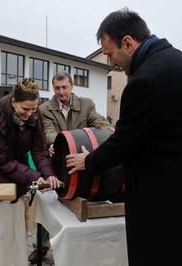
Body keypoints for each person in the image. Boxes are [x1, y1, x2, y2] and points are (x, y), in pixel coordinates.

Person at [66, 9, 182, 266]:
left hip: (169, 206)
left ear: (128, 43)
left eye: (110, 54)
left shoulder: (146, 80)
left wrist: (89, 161)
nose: (110, 64)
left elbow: (125, 142)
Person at [0, 78, 62, 266]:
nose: (29, 114)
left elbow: (39, 151)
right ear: (14, 102)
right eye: (25, 109)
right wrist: (36, 177)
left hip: (18, 184)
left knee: (15, 236)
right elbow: (4, 162)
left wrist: (49, 174)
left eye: (33, 108)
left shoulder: (34, 116)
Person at [28, 71, 111, 264]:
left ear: (72, 87)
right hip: (56, 162)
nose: (61, 92)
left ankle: (78, 248)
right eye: (57, 88)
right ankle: (41, 247)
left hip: (80, 163)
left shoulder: (87, 104)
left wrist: (102, 127)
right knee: (49, 207)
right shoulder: (45, 108)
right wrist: (54, 142)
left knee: (76, 206)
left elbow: (99, 122)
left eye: (64, 87)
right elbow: (48, 131)